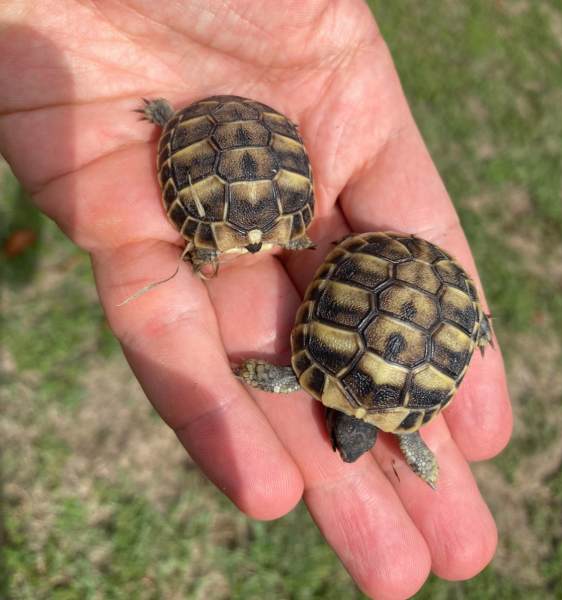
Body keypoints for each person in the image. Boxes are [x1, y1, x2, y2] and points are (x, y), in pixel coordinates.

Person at [0, 1, 512, 597]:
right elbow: (308, 384)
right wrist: (254, 371)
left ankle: (467, 321)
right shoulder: (354, 397)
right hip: (414, 287)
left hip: (409, 285)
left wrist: (252, 371)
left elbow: (305, 382)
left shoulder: (335, 389)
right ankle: (466, 320)